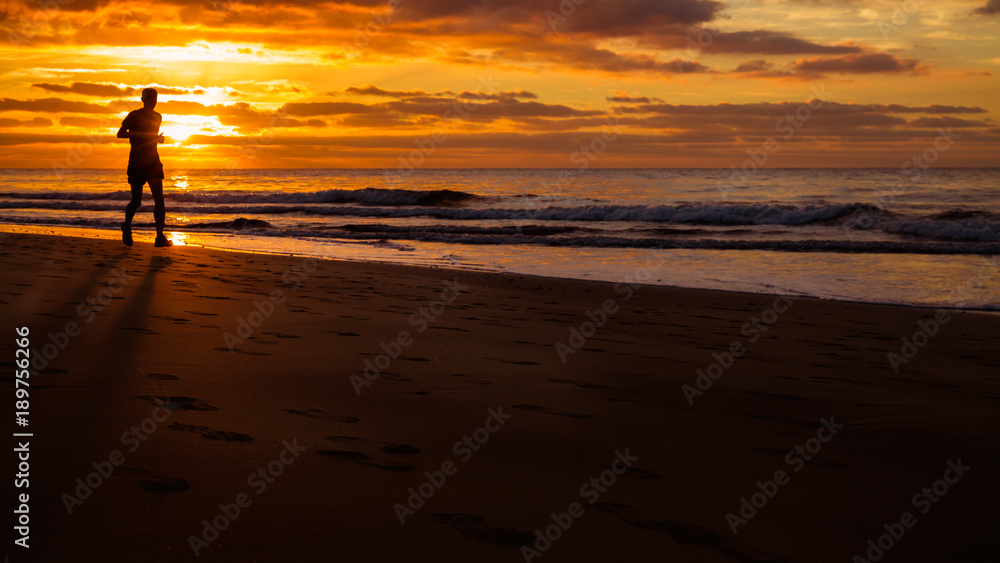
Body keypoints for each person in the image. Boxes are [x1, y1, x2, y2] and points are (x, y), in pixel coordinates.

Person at [117, 87, 171, 247]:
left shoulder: (157, 117)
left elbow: (151, 136)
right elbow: (120, 134)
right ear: (143, 100)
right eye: (149, 99)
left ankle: (159, 237)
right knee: (136, 201)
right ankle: (126, 225)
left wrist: (158, 139)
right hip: (136, 162)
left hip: (153, 161)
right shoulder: (134, 115)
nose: (152, 102)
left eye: (155, 99)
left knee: (159, 201)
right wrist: (140, 135)